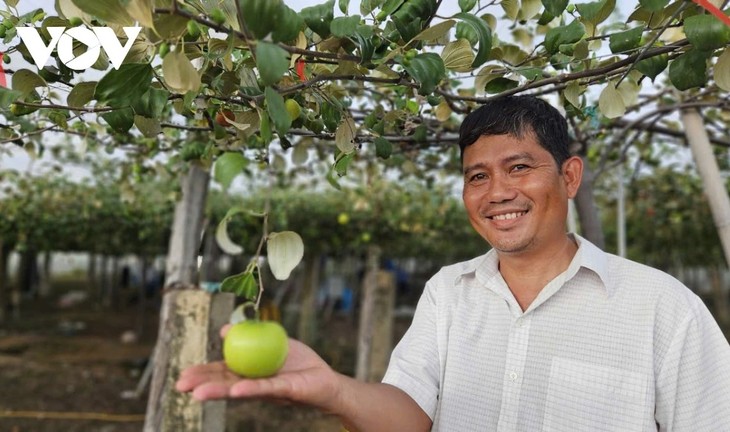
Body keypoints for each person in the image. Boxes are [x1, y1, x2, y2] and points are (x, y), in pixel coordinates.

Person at [176, 95, 730, 431]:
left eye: (519, 167)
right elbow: (410, 416)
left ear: (569, 177)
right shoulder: (449, 291)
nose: (497, 193)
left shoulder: (662, 308)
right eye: (478, 176)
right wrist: (333, 390)